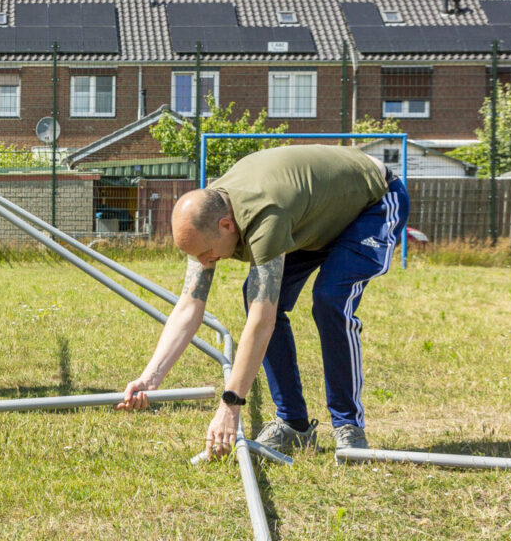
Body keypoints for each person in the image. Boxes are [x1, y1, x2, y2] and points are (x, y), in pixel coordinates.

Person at [116, 145, 410, 457]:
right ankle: (294, 424)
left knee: (330, 298)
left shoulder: (265, 215)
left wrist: (231, 404)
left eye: (205, 253)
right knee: (254, 293)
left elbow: (261, 321)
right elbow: (190, 306)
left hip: (373, 203)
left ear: (226, 226)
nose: (204, 261)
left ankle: (348, 425)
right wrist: (150, 378)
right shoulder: (210, 211)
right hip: (315, 216)